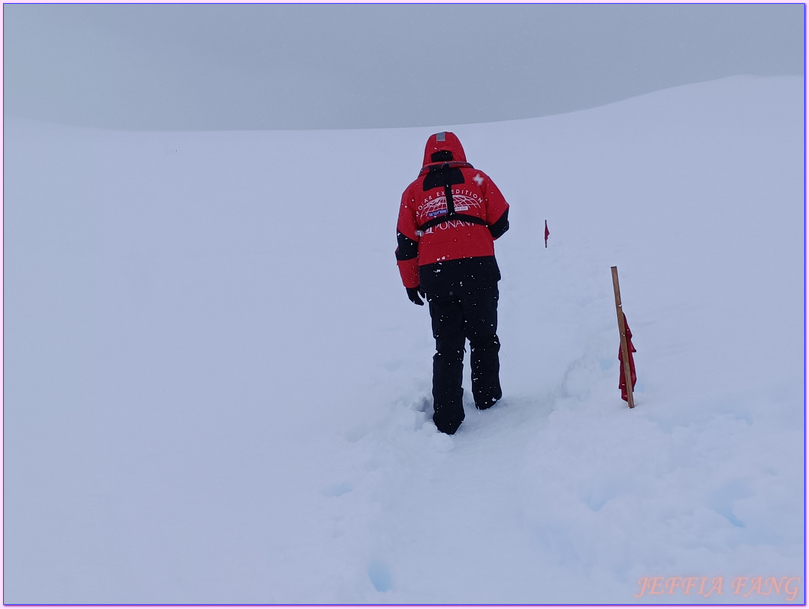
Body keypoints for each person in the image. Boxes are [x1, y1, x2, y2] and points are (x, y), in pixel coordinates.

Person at [395, 131, 510, 435]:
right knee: (484, 337)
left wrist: (411, 283)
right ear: (458, 150)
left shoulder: (413, 191)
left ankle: (447, 418)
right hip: (479, 268)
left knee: (448, 347)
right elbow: (501, 221)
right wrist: (475, 235)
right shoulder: (478, 179)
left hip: (438, 273)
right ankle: (488, 398)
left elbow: (406, 244)